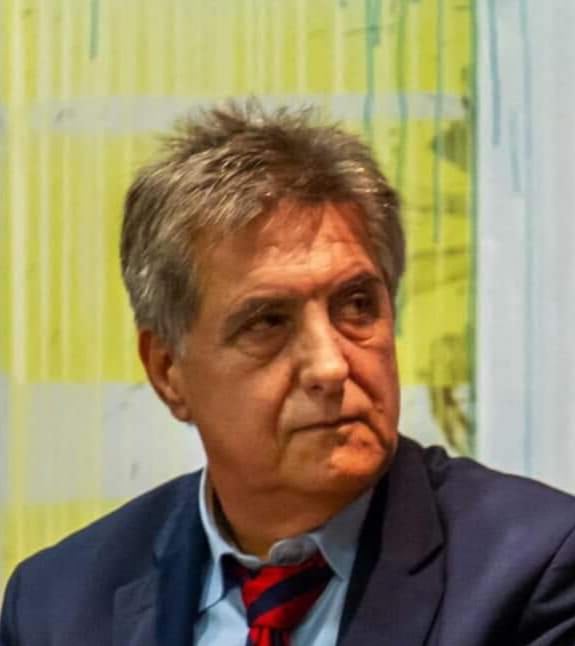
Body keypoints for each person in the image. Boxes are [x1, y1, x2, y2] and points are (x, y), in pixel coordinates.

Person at [2, 101, 575, 646]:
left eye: (357, 306)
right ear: (168, 370)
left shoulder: (535, 570)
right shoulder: (57, 606)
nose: (331, 365)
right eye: (268, 322)